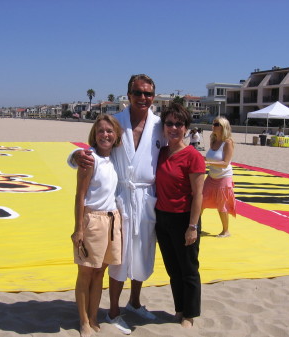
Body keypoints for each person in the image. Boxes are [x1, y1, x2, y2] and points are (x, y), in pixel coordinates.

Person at [68, 74, 165, 334]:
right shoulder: (117, 121)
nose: (142, 98)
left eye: (147, 94)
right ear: (128, 94)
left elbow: (174, 148)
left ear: (153, 96)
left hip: (146, 197)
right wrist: (74, 155)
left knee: (143, 252)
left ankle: (134, 302)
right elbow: (93, 148)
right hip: (119, 198)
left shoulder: (159, 124)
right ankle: (112, 311)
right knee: (119, 258)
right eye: (137, 92)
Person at [71, 115, 123, 337]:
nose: (105, 135)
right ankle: (83, 321)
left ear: (116, 135)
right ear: (94, 134)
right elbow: (80, 195)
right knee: (86, 272)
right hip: (92, 219)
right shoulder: (89, 159)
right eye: (101, 131)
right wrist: (78, 228)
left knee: (100, 272)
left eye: (109, 131)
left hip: (112, 220)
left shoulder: (116, 158)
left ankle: (93, 317)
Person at [155, 103, 205, 329]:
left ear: (186, 128)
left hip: (184, 219)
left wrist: (192, 226)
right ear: (163, 126)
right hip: (162, 218)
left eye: (179, 124)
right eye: (169, 123)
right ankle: (179, 308)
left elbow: (198, 195)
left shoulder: (193, 156)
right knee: (173, 269)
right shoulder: (161, 152)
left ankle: (190, 314)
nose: (173, 128)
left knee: (188, 269)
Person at [202, 117, 236, 238]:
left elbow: (225, 163)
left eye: (216, 124)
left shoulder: (228, 142)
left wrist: (208, 163)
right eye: (213, 123)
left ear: (223, 127)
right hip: (212, 176)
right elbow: (210, 158)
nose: (213, 126)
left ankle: (225, 231)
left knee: (222, 205)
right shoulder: (213, 139)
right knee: (200, 200)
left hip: (223, 177)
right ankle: (195, 226)